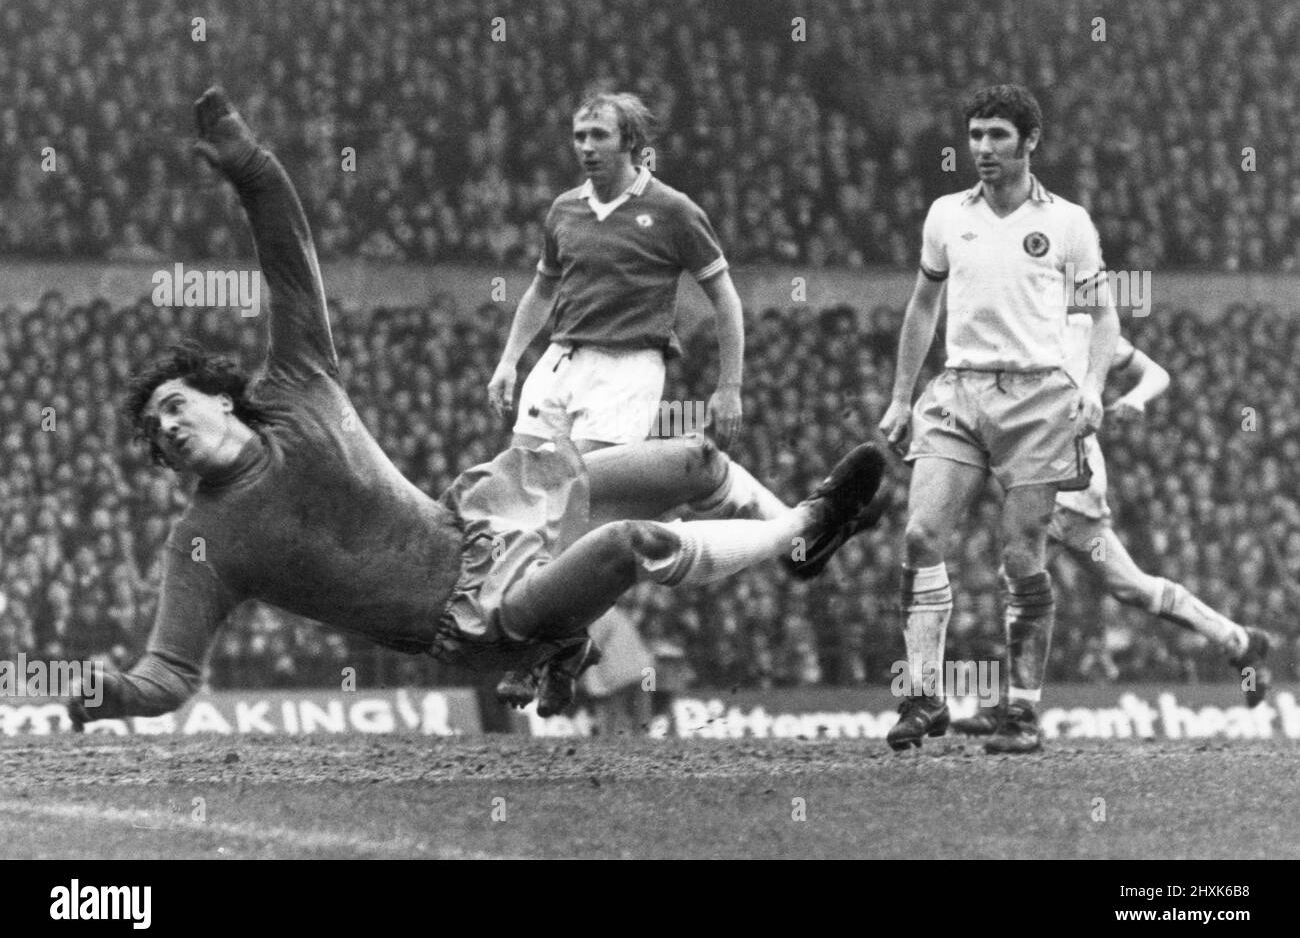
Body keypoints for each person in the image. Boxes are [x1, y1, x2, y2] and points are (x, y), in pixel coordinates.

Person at [66, 90, 886, 727]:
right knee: (626, 544)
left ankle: (800, 541)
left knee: (695, 461)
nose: (166, 431)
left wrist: (250, 166)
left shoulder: (297, 387)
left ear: (219, 394)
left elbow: (288, 259)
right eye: (153, 434)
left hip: (490, 521)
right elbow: (167, 675)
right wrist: (111, 693)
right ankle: (800, 525)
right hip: (476, 618)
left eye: (172, 407)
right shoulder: (203, 542)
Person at [486, 92, 781, 710]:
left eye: (598, 135)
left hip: (627, 371)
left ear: (629, 144)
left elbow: (724, 299)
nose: (586, 147)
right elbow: (542, 289)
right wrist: (510, 359)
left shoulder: (673, 211)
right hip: (559, 361)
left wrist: (729, 385)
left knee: (577, 510)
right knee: (518, 503)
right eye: (578, 136)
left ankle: (552, 649)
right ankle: (557, 647)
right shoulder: (565, 209)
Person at [878, 85, 1119, 754]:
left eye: (997, 136)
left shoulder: (1069, 223)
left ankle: (1020, 713)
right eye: (976, 135)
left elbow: (1103, 316)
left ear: (1030, 141)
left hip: (1040, 398)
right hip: (959, 390)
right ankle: (923, 697)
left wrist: (1093, 388)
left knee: (1019, 557)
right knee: (922, 535)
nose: (981, 148)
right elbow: (923, 306)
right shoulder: (946, 216)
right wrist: (902, 396)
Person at [952, 318, 1278, 735]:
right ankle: (1240, 642)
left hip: (1064, 486)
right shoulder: (1017, 332)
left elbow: (1156, 373)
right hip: (1061, 489)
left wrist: (1138, 398)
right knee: (1132, 588)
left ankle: (1012, 707)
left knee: (1017, 578)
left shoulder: (1082, 331)